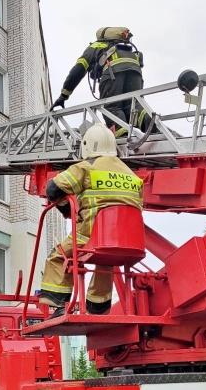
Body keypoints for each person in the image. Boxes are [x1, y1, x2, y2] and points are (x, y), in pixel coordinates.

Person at [38, 123, 143, 317]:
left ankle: (59, 305)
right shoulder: (131, 174)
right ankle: (98, 309)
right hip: (128, 240)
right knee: (106, 260)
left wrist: (65, 209)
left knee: (59, 255)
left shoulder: (86, 167)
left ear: (88, 145)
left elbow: (53, 189)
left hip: (92, 234)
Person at [50, 27, 155, 137]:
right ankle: (150, 122)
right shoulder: (125, 48)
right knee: (133, 105)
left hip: (113, 71)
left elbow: (78, 71)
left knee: (112, 106)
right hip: (135, 72)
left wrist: (64, 95)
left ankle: (121, 136)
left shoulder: (95, 46)